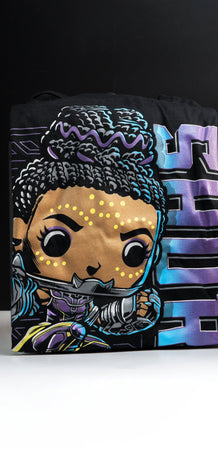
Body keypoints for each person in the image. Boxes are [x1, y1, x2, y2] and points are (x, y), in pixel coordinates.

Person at [11, 105, 167, 352]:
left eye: (134, 252)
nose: (94, 266)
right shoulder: (28, 290)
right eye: (57, 240)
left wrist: (132, 311)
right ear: (20, 231)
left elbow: (103, 318)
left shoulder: (111, 300)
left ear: (154, 253)